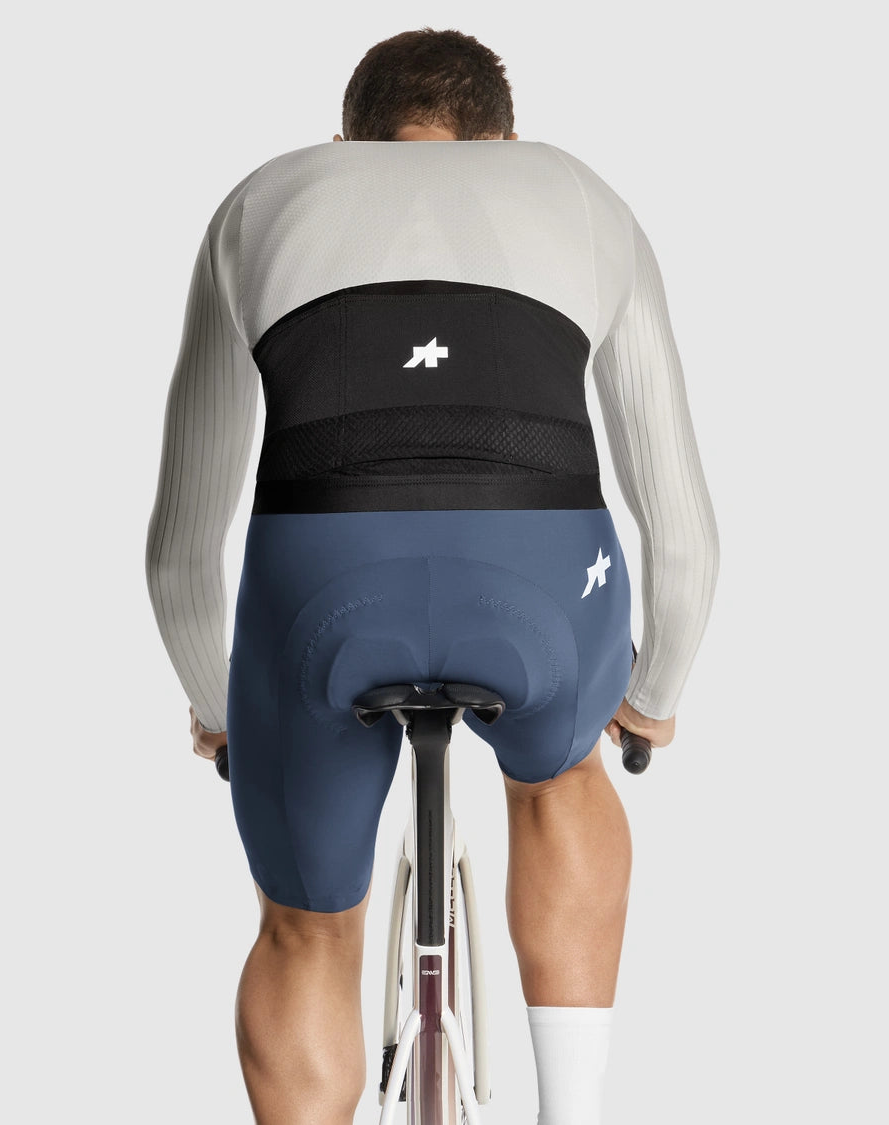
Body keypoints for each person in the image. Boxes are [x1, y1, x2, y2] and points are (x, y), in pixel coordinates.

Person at [145, 26, 718, 1125]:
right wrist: (653, 697)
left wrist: (225, 714)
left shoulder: (263, 200)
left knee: (304, 926)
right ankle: (574, 1111)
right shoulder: (578, 193)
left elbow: (180, 545)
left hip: (321, 585)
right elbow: (684, 531)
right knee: (563, 780)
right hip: (540, 581)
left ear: (344, 145)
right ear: (505, 144)